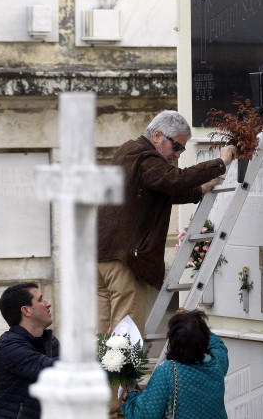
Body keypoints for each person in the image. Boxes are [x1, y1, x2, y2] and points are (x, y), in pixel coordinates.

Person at [97, 110, 237, 337]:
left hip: (102, 258)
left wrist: (199, 189)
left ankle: (103, 373)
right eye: (177, 147)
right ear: (158, 136)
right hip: (125, 261)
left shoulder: (128, 151)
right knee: (125, 339)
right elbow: (173, 180)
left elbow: (160, 190)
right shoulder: (145, 157)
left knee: (103, 340)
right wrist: (220, 162)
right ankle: (125, 374)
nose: (179, 155)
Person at [120, 310, 229, 419]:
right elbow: (217, 344)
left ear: (173, 341)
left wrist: (130, 392)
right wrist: (193, 325)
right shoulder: (217, 361)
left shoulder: (167, 372)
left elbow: (144, 416)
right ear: (204, 337)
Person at [0, 282, 59, 419]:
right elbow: (49, 369)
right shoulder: (8, 345)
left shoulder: (51, 342)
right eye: (40, 300)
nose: (48, 303)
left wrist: (109, 348)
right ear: (26, 311)